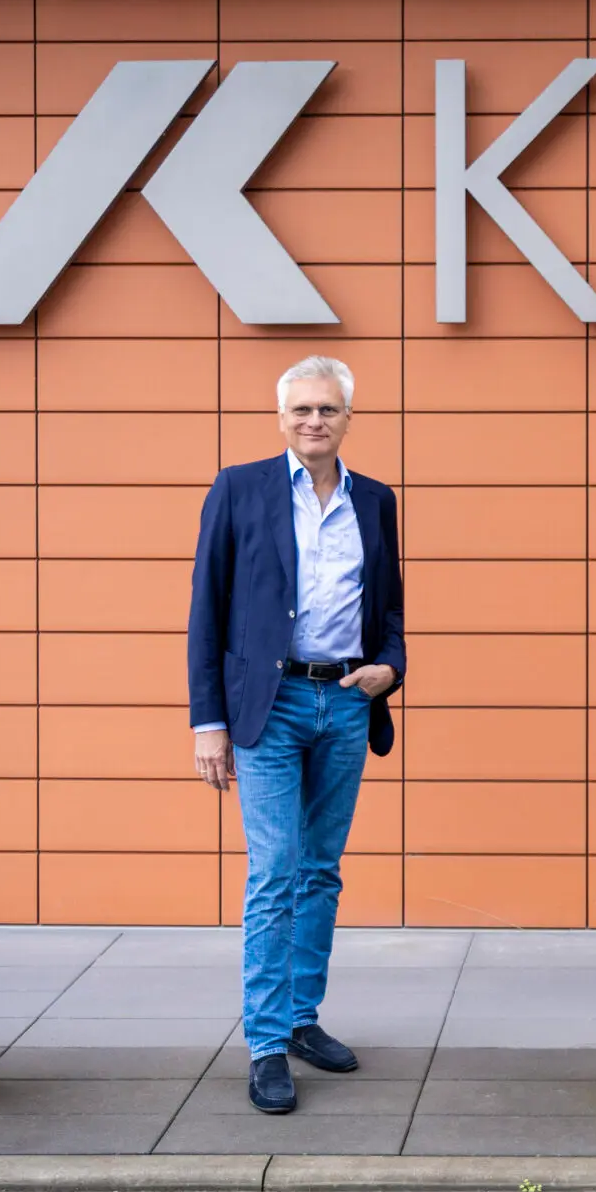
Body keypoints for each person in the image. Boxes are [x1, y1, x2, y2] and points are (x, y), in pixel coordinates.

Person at [186, 355, 406, 1115]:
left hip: (344, 702)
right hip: (268, 705)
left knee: (320, 870)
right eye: (303, 409)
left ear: (348, 418)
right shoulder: (239, 489)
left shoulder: (374, 501)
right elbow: (206, 613)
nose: (315, 421)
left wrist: (389, 669)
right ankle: (267, 1042)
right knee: (275, 871)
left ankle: (302, 1018)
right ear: (281, 417)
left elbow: (390, 611)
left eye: (329, 410)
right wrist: (208, 722)